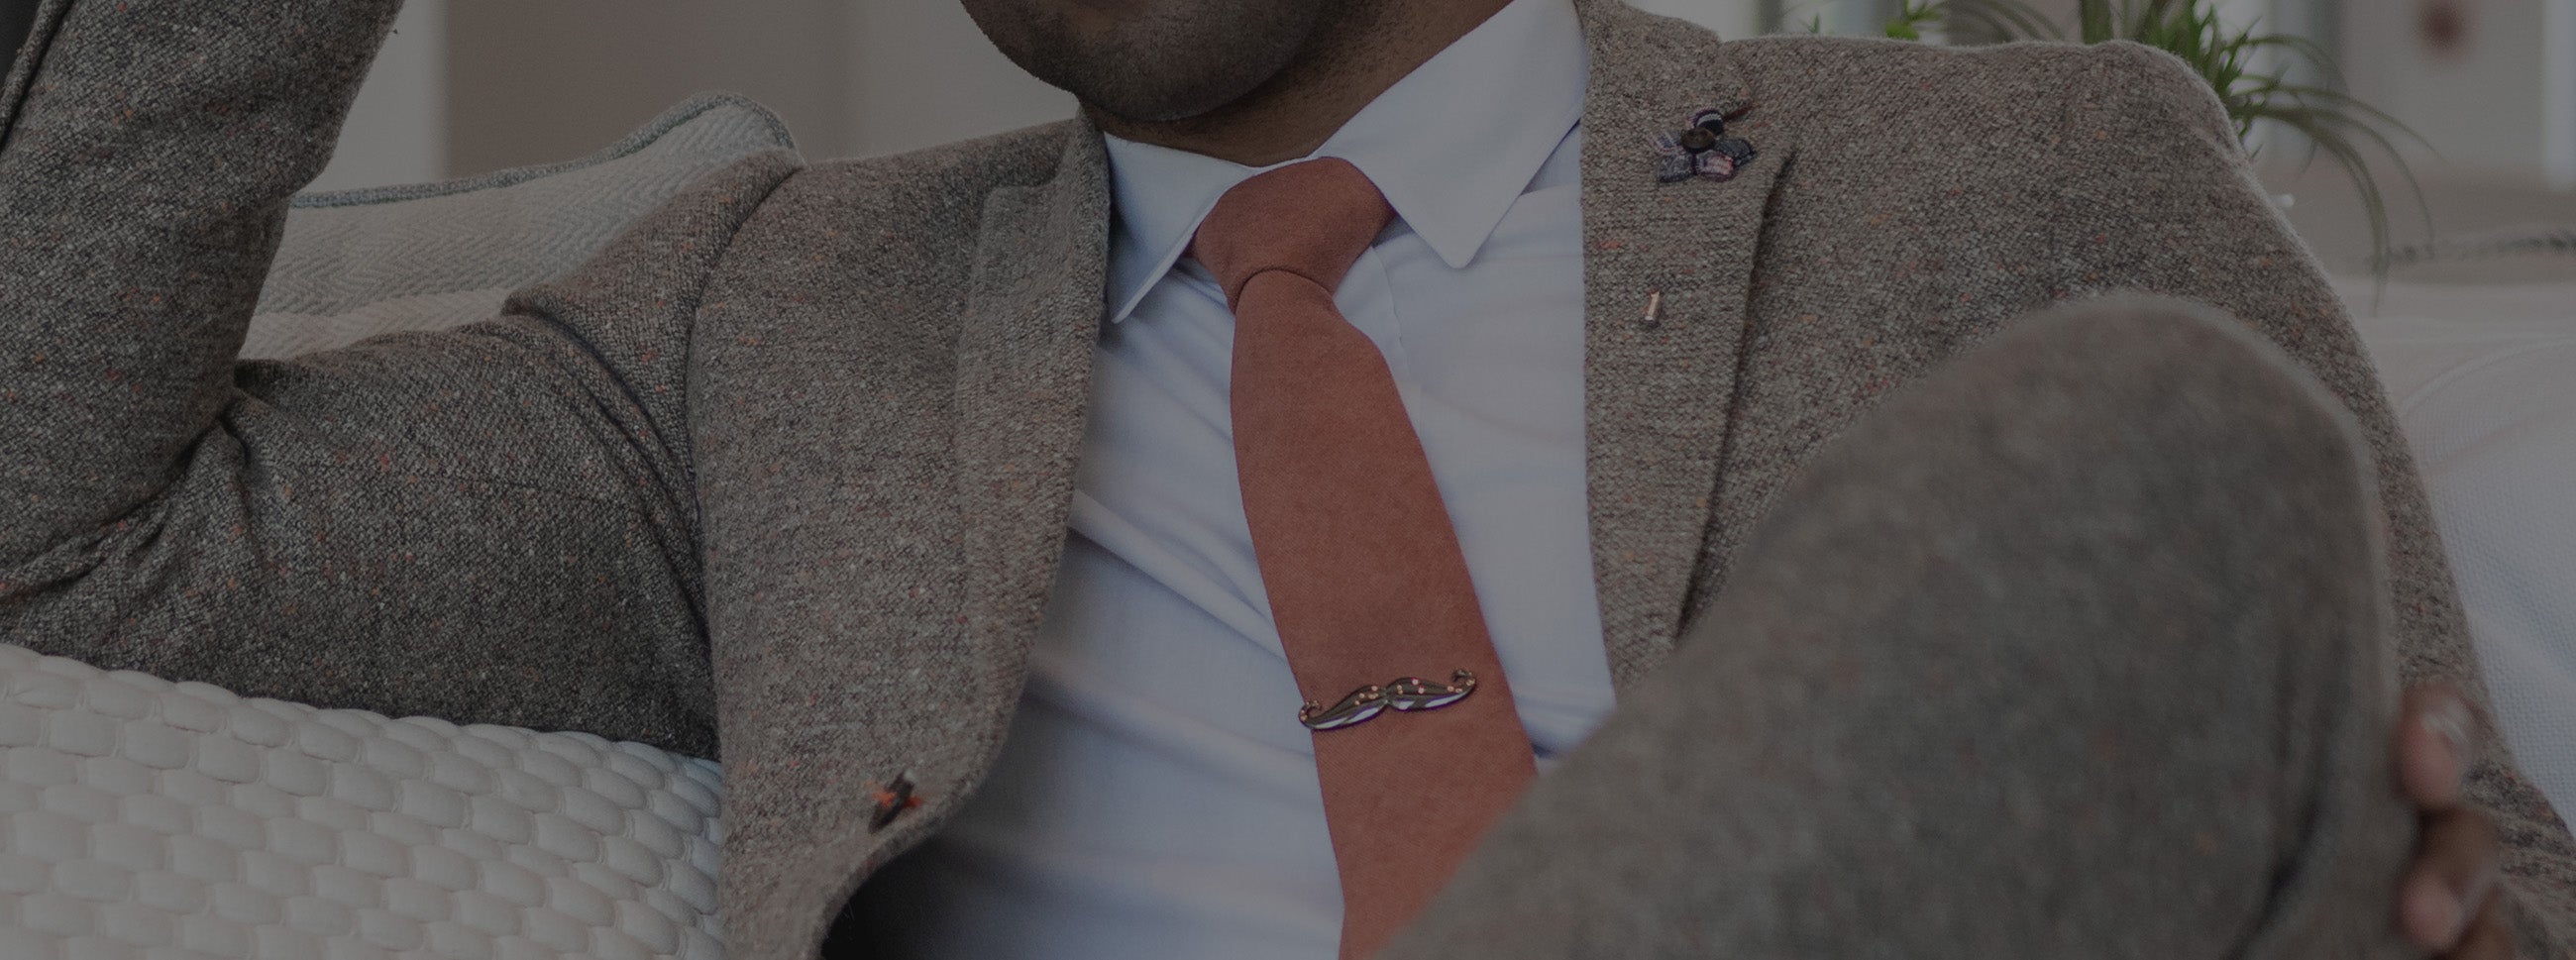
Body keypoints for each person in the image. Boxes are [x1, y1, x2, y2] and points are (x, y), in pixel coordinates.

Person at [0, 0, 2566, 957]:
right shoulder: (761, 324)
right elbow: (50, 506)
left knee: (2160, 437)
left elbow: (2491, 875)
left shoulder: (2019, 180)